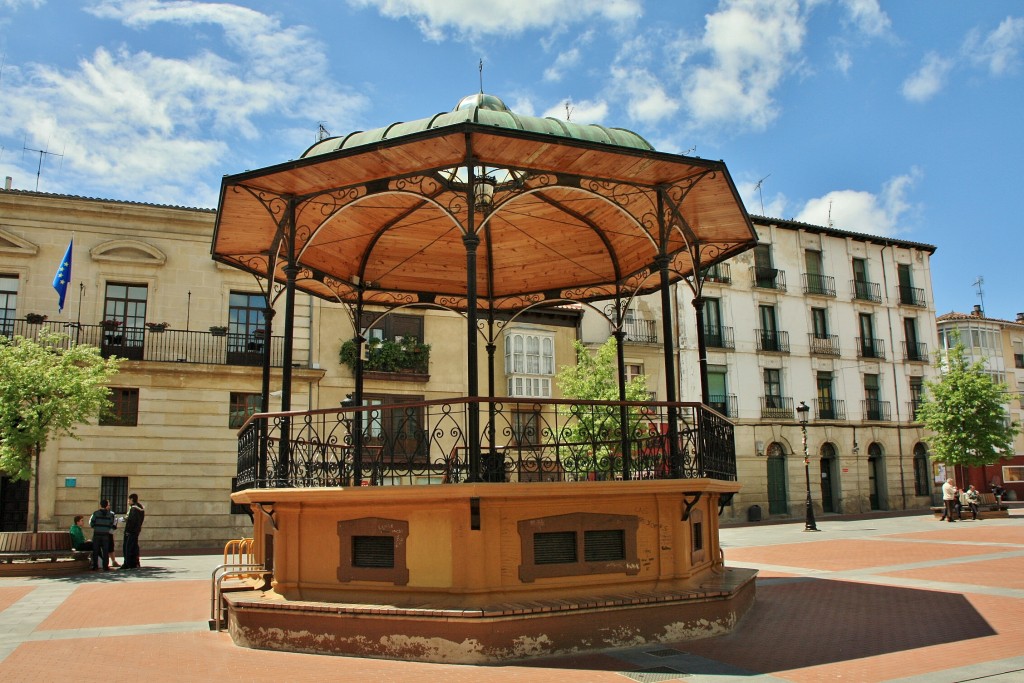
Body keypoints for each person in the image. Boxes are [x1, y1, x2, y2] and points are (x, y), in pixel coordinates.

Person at [89, 499, 116, 570]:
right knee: (105, 550)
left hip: (97, 533)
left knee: (96, 550)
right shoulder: (110, 514)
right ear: (107, 505)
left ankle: (95, 566)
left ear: (100, 505)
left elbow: (91, 523)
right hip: (106, 534)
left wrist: (96, 527)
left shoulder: (95, 513)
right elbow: (111, 524)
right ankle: (105, 566)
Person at [121, 493, 145, 569]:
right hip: (136, 530)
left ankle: (128, 563)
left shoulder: (134, 509)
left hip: (130, 531)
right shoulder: (140, 508)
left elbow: (131, 521)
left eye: (128, 500)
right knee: (134, 547)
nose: (128, 501)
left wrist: (128, 531)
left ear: (131, 499)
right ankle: (135, 562)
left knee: (128, 547)